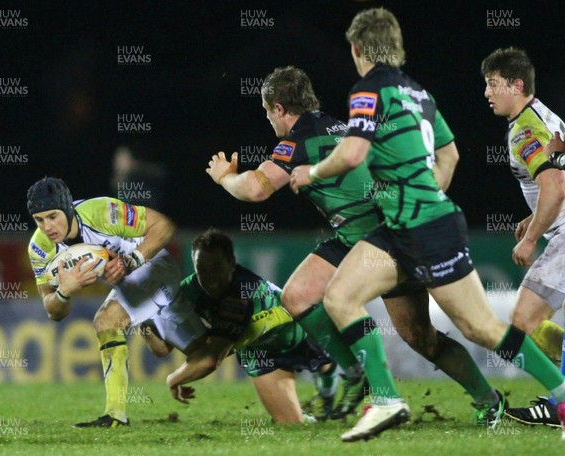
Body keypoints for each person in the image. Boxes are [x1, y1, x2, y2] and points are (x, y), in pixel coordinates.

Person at [289, 7, 565, 442]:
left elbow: (353, 154)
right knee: (340, 295)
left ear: (359, 49)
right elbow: (450, 155)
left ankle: (562, 394)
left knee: (483, 328)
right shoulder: (419, 93)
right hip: (409, 224)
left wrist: (313, 172)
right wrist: (422, 194)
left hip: (423, 228)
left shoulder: (368, 90)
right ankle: (386, 399)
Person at [206, 65, 508, 426]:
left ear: (279, 109)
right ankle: (354, 373)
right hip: (355, 235)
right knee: (298, 295)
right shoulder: (335, 126)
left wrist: (225, 178)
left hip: (383, 240)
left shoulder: (301, 139)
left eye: (267, 111)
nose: (268, 118)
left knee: (420, 336)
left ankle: (486, 398)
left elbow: (255, 188)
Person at [26, 176, 206, 427]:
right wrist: (64, 292)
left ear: (67, 208)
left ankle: (115, 416)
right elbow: (53, 311)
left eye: (53, 216)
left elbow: (163, 226)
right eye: (39, 220)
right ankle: (200, 323)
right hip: (126, 284)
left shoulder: (102, 212)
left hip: (153, 266)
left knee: (105, 321)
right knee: (167, 350)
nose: (47, 227)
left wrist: (131, 260)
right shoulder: (39, 249)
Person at [142, 228, 335, 423]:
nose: (209, 278)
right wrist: (144, 318)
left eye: (216, 268)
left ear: (232, 264)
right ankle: (315, 412)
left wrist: (173, 379)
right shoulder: (188, 290)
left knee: (330, 367)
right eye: (202, 269)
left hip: (295, 329)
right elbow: (161, 348)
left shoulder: (241, 294)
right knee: (291, 424)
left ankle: (329, 388)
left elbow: (211, 359)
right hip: (258, 351)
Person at [481, 47, 565, 427]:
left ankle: (558, 403)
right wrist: (534, 218)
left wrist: (531, 238)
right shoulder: (544, 117)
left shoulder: (526, 129)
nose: (487, 92)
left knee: (521, 325)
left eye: (492, 84)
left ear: (516, 85)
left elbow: (555, 186)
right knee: (526, 323)